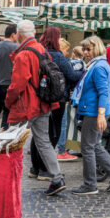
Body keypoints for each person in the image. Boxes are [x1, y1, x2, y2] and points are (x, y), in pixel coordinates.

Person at [5, 20, 66, 196]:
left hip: (26, 106)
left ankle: (8, 177)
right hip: (43, 103)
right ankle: (57, 179)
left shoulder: (23, 54)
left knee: (12, 141)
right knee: (44, 142)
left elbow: (17, 85)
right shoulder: (41, 49)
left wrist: (8, 102)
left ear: (19, 34)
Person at [70, 35, 110, 195]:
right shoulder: (95, 64)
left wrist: (101, 114)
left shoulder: (99, 66)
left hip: (94, 112)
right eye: (85, 49)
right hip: (93, 110)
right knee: (93, 145)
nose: (86, 52)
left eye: (89, 49)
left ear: (97, 48)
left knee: (88, 147)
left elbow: (104, 92)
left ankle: (90, 185)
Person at [30, 27, 81, 172]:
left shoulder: (38, 53)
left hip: (40, 97)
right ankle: (45, 169)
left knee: (39, 134)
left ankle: (35, 168)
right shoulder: (58, 56)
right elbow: (71, 75)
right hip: (57, 98)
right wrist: (84, 72)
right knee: (53, 133)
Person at [55, 38, 80, 161]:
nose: (67, 53)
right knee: (62, 124)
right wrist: (83, 73)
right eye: (66, 50)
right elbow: (72, 75)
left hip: (52, 96)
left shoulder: (50, 55)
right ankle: (61, 151)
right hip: (60, 96)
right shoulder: (61, 58)